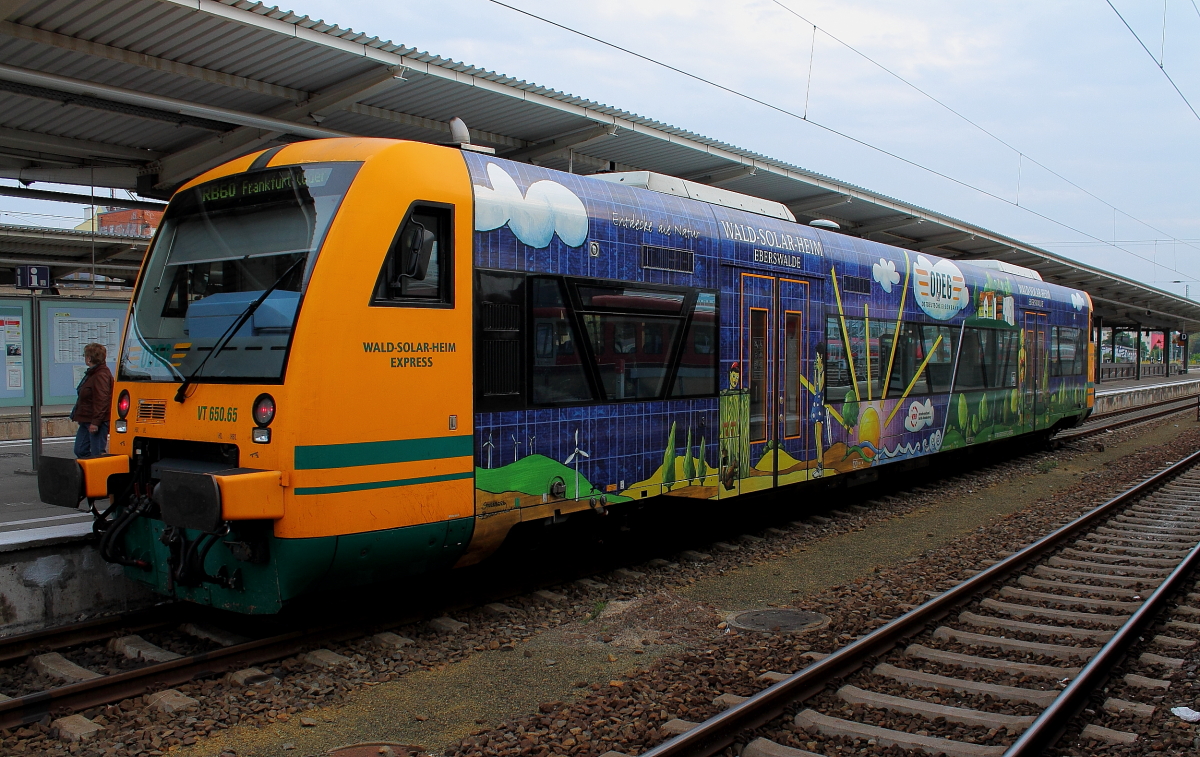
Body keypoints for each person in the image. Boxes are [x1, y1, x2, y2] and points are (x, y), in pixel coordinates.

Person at [72, 342, 113, 458]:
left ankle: (99, 473)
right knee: (80, 450)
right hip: (86, 418)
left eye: (85, 355)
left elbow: (102, 399)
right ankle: (90, 471)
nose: (84, 358)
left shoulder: (100, 375)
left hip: (96, 420)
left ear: (89, 358)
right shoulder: (93, 373)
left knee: (97, 453)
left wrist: (96, 422)